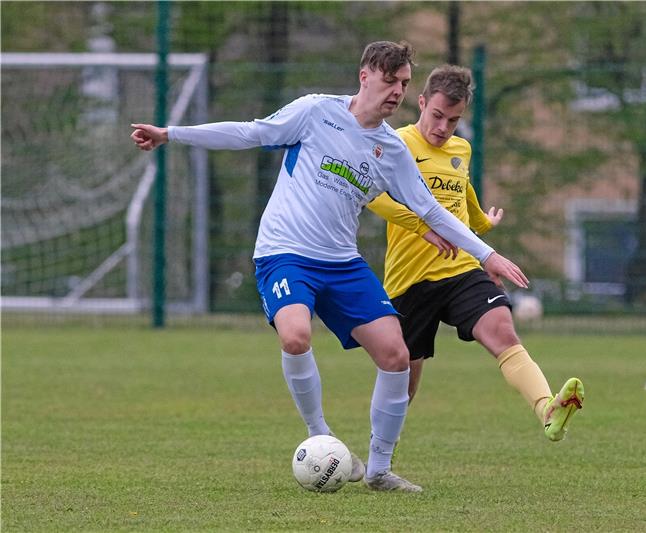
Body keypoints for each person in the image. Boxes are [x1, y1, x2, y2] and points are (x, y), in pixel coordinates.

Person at [131, 41, 530, 493]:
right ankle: (320, 434)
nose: (397, 91)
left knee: (396, 356)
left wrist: (486, 254)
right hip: (285, 251)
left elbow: (433, 212)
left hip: (341, 262)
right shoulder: (315, 112)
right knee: (296, 335)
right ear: (364, 76)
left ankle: (378, 471)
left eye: (403, 83)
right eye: (389, 80)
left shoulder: (392, 150)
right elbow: (248, 133)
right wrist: (170, 134)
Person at [367, 65, 584, 444]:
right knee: (404, 384)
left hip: (462, 269)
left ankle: (547, 408)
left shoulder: (461, 148)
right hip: (410, 280)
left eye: (453, 120)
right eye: (437, 116)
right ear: (421, 103)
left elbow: (461, 191)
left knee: (502, 329)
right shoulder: (395, 143)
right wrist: (422, 226)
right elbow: (376, 199)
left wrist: (481, 222)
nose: (443, 127)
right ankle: (379, 460)